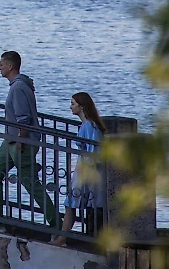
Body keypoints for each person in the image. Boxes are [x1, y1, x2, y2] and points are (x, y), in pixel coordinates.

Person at [0, 51, 58, 229]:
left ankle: (56, 225)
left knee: (30, 183)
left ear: (10, 66)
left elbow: (24, 118)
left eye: (1, 64)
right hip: (11, 139)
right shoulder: (18, 85)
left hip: (20, 142)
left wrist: (20, 140)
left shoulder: (18, 88)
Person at [52, 92, 106, 246]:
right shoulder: (88, 125)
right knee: (73, 203)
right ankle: (65, 236)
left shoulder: (89, 125)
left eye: (73, 103)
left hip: (87, 171)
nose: (70, 106)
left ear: (82, 107)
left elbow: (93, 150)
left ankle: (63, 238)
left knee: (71, 203)